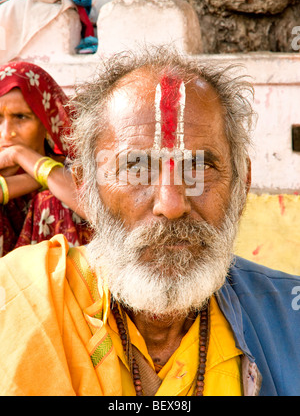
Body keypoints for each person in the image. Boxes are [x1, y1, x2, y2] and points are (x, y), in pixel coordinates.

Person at [0, 47, 300, 397]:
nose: (171, 205)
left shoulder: (289, 319)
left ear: (241, 183)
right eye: (136, 167)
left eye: (199, 166)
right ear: (85, 183)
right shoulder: (16, 299)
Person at [0, 61, 91, 255]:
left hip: (60, 283)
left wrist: (20, 154)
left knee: (54, 202)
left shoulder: (75, 168)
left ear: (45, 120)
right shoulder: (61, 169)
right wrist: (38, 178)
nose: (7, 134)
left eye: (21, 117)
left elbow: (93, 210)